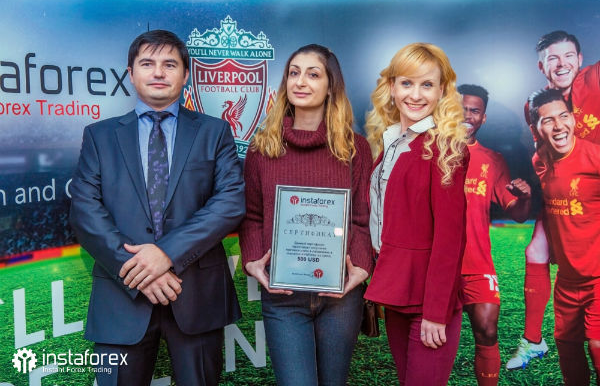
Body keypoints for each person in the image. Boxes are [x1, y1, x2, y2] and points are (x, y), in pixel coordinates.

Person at [69, 30, 245, 385]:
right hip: (121, 298)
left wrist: (165, 254)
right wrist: (137, 269)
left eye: (170, 64)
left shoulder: (215, 132)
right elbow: (84, 212)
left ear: (186, 74)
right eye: (147, 63)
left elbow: (230, 202)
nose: (159, 72)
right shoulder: (99, 136)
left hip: (196, 296)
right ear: (131, 73)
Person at [239, 44, 373, 386]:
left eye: (313, 74)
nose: (300, 82)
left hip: (341, 296)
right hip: (282, 298)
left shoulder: (355, 149)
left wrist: (360, 267)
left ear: (331, 86)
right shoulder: (262, 148)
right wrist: (253, 260)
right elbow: (252, 216)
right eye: (294, 73)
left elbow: (362, 218)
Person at [363, 43, 469, 385]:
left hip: (429, 301)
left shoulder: (446, 147)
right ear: (392, 87)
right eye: (407, 83)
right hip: (396, 291)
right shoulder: (390, 141)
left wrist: (436, 312)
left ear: (442, 90)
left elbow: (450, 239)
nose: (416, 94)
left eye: (427, 84)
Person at [508, 30, 600, 369]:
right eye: (553, 59)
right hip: (566, 186)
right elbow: (543, 153)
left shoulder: (593, 80)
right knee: (535, 251)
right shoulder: (534, 104)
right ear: (541, 66)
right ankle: (533, 340)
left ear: (580, 59)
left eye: (568, 56)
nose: (562, 64)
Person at [458, 84, 531, 384]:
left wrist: (524, 197)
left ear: (483, 117)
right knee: (433, 336)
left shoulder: (492, 159)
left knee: (487, 331)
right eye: (461, 109)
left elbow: (518, 213)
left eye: (474, 111)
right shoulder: (429, 153)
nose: (467, 115)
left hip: (477, 263)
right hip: (437, 264)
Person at [527, 88, 600, 385]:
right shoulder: (540, 160)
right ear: (536, 129)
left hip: (598, 279)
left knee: (597, 346)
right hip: (567, 282)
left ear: (573, 118)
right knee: (568, 352)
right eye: (548, 120)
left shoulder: (595, 157)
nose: (558, 126)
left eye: (564, 116)